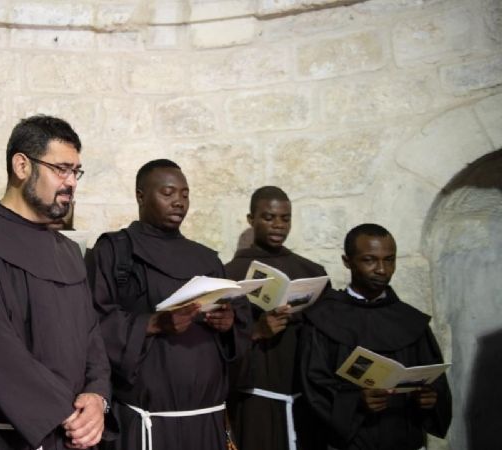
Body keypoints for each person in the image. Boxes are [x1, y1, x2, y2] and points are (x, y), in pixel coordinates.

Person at [0, 115, 111, 450]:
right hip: (1, 437)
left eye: (76, 171)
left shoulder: (67, 252)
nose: (71, 182)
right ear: (21, 166)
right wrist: (66, 413)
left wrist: (97, 397)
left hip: (70, 435)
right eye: (61, 169)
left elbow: (92, 341)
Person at [86, 159, 252, 450]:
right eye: (168, 193)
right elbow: (92, 322)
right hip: (148, 422)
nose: (179, 202)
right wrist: (153, 323)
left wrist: (228, 324)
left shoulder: (207, 259)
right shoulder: (115, 251)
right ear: (140, 195)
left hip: (206, 418)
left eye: (185, 195)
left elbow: (239, 324)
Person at [298, 224, 452, 450]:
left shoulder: (410, 321)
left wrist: (430, 399)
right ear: (347, 261)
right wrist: (356, 402)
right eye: (370, 260)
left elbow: (435, 381)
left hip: (405, 439)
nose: (382, 269)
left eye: (389, 260)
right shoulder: (323, 319)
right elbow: (314, 389)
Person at [223, 186, 328, 450]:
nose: (278, 225)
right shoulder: (230, 274)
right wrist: (255, 332)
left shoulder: (310, 271)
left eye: (285, 218)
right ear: (251, 220)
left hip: (304, 396)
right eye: (269, 217)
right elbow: (215, 344)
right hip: (254, 398)